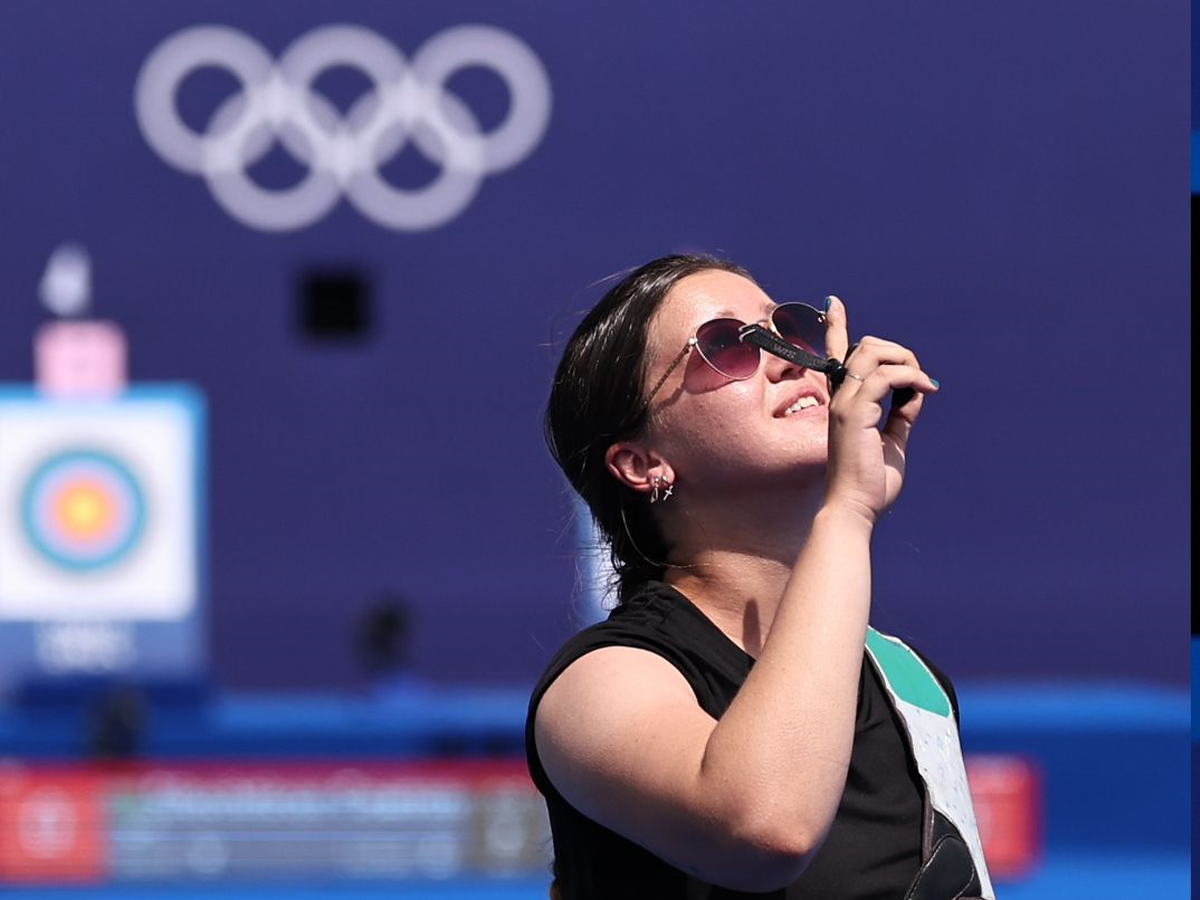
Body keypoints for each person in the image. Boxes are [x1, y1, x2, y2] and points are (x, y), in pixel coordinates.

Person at [525, 253, 995, 899]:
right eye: (724, 344)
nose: (787, 356)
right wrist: (848, 512)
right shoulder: (596, 687)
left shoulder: (910, 681)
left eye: (786, 328)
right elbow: (766, 828)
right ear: (641, 462)